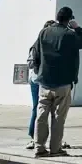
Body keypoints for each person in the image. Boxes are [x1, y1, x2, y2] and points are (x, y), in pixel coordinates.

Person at [30, 7, 82, 157]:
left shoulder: (44, 32)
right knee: (58, 117)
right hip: (63, 81)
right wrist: (77, 28)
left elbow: (35, 52)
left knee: (41, 115)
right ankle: (55, 148)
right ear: (69, 19)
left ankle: (39, 147)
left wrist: (38, 70)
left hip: (45, 81)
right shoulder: (69, 34)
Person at [26, 20, 56, 150]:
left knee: (53, 110)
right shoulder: (36, 45)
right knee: (37, 108)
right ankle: (33, 137)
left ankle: (53, 139)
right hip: (37, 80)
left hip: (49, 80)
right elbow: (30, 63)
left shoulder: (53, 45)